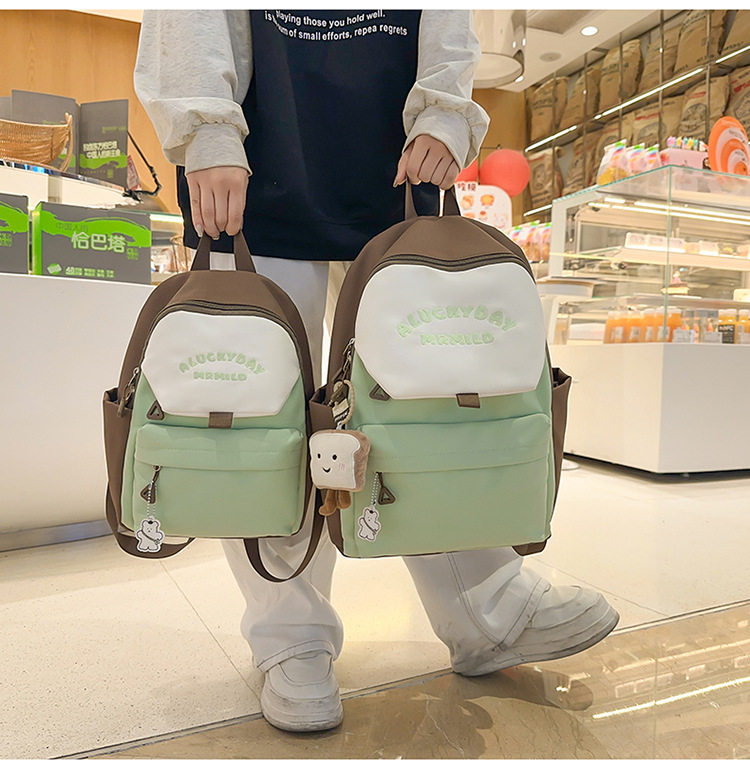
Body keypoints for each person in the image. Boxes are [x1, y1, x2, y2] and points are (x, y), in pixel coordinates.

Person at [134, 9, 619, 734]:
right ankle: (290, 635)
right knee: (263, 418)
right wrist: (205, 129)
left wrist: (446, 113)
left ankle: (486, 609)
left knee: (432, 397)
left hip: (397, 175)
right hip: (256, 173)